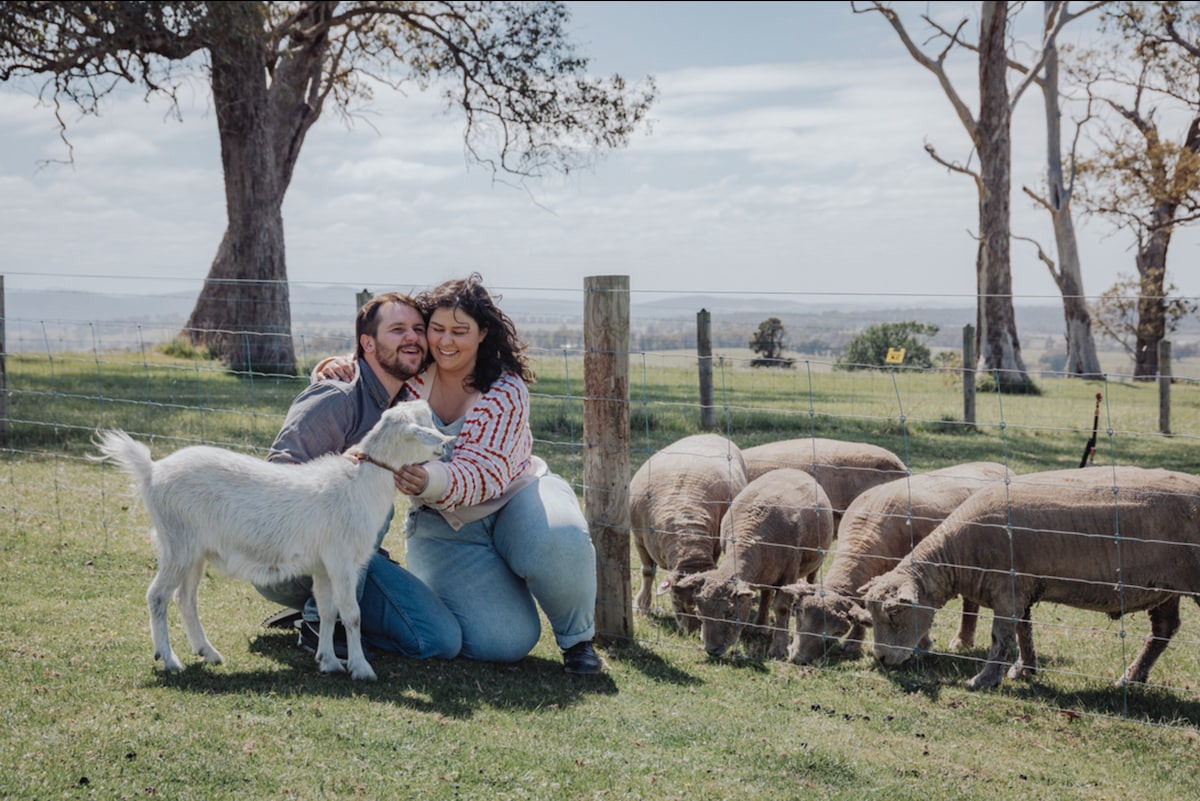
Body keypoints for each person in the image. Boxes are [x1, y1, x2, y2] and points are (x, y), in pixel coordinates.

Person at [317, 274, 603, 675]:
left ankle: (578, 642)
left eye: (460, 331)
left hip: (516, 496)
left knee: (560, 540)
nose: (445, 341)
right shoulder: (413, 377)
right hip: (443, 524)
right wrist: (343, 366)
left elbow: (484, 470)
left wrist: (431, 480)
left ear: (483, 333)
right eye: (437, 329)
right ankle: (361, 602)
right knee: (503, 643)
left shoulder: (506, 389)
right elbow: (378, 364)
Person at [256, 292, 462, 661]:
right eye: (397, 329)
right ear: (368, 343)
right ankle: (321, 624)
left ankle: (327, 608)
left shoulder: (404, 406)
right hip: (289, 556)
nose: (412, 337)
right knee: (365, 482)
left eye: (417, 329)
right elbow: (273, 482)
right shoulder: (335, 396)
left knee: (439, 640)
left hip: (355, 559)